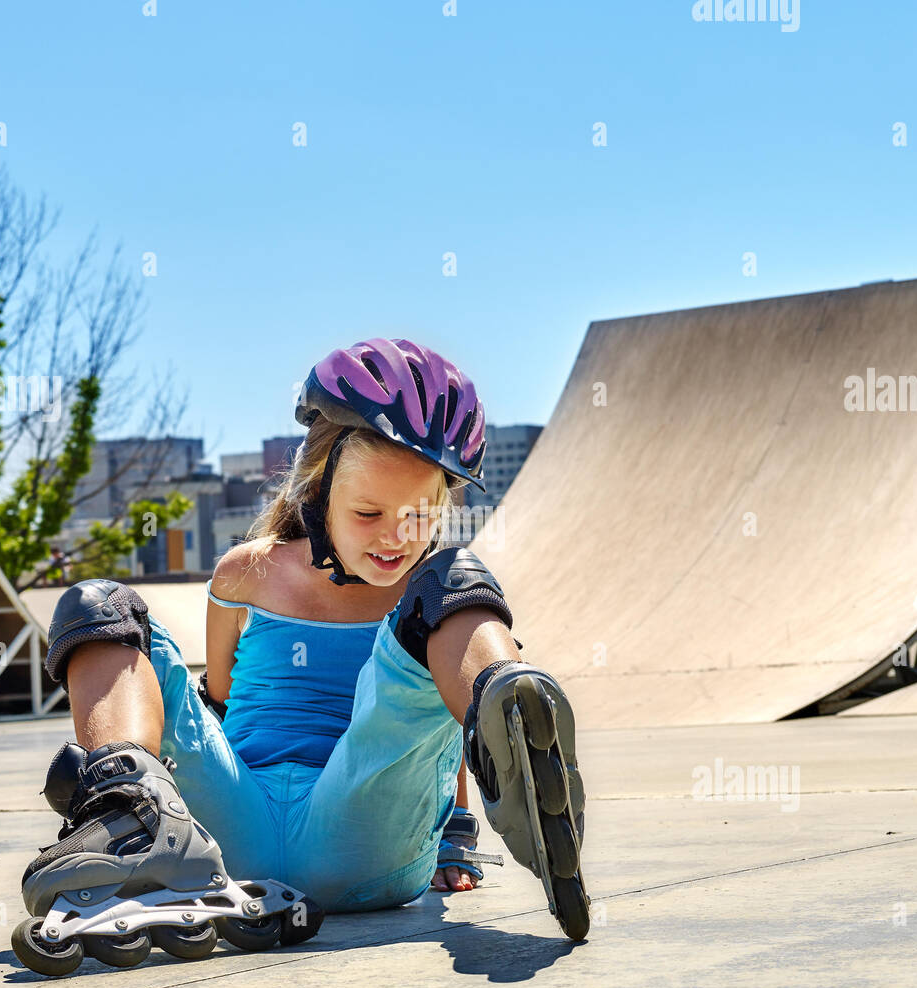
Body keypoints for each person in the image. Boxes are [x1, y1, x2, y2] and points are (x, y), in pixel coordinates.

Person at [40, 338, 589, 937]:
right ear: (317, 494)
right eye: (368, 514)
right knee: (99, 608)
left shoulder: (424, 598)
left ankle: (506, 719)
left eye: (418, 516)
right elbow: (216, 709)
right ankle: (125, 801)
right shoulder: (243, 573)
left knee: (446, 587)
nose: (394, 539)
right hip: (218, 836)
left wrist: (455, 831)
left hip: (358, 832)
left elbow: (230, 697)